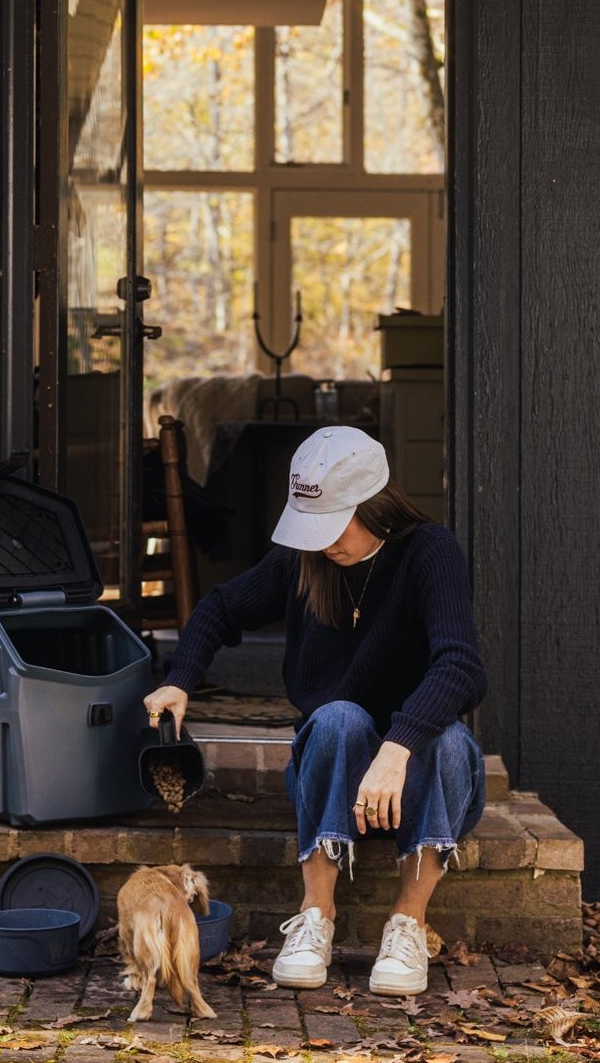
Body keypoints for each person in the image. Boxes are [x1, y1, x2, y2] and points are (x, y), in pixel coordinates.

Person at [142, 425, 487, 996]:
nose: (323, 541)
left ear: (374, 505)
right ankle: (315, 917)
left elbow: (461, 666)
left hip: (425, 785)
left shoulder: (430, 552)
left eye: (333, 523)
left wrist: (397, 748)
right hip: (334, 786)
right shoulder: (302, 562)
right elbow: (220, 607)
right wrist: (180, 680)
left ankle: (408, 922)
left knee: (447, 739)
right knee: (336, 717)